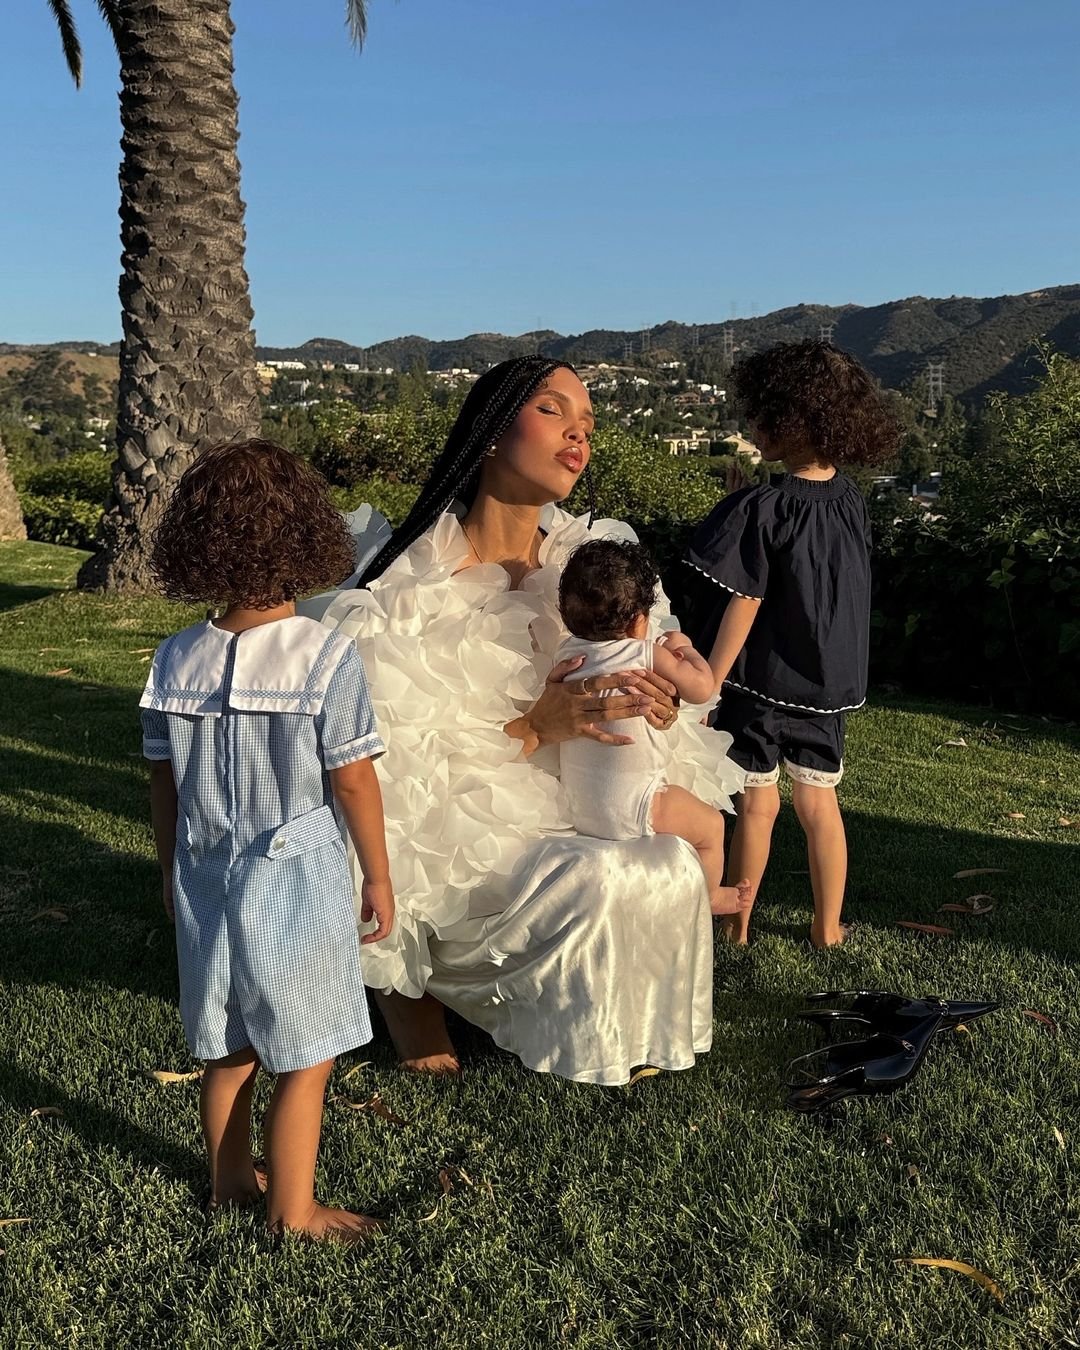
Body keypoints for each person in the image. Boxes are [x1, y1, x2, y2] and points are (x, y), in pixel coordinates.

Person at [302, 356, 736, 1085]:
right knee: (589, 875)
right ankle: (408, 995)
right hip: (465, 814)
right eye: (554, 410)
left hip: (592, 798)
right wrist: (536, 726)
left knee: (659, 862)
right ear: (492, 432)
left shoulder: (595, 564)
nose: (579, 433)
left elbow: (663, 675)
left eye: (589, 424)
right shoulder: (409, 583)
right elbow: (383, 766)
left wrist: (660, 706)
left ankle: (618, 1022)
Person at [140, 440, 394, 1242]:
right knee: (306, 1052)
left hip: (205, 869)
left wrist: (169, 869)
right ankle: (294, 1208)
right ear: (308, 539)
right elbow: (352, 779)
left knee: (228, 1044)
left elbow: (165, 789)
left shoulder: (174, 658)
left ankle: (227, 1183)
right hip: (297, 870)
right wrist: (377, 876)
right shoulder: (325, 655)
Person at [679, 340, 901, 948]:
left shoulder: (764, 507)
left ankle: (737, 926)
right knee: (819, 808)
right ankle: (828, 927)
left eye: (763, 415)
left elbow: (742, 602)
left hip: (760, 684)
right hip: (827, 688)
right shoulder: (852, 502)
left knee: (756, 807)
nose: (754, 426)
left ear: (793, 419)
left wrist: (711, 678)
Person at [555, 537, 750, 916]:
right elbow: (702, 688)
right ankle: (708, 895)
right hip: (638, 802)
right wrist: (685, 648)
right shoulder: (641, 650)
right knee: (711, 827)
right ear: (637, 621)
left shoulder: (568, 656)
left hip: (582, 808)